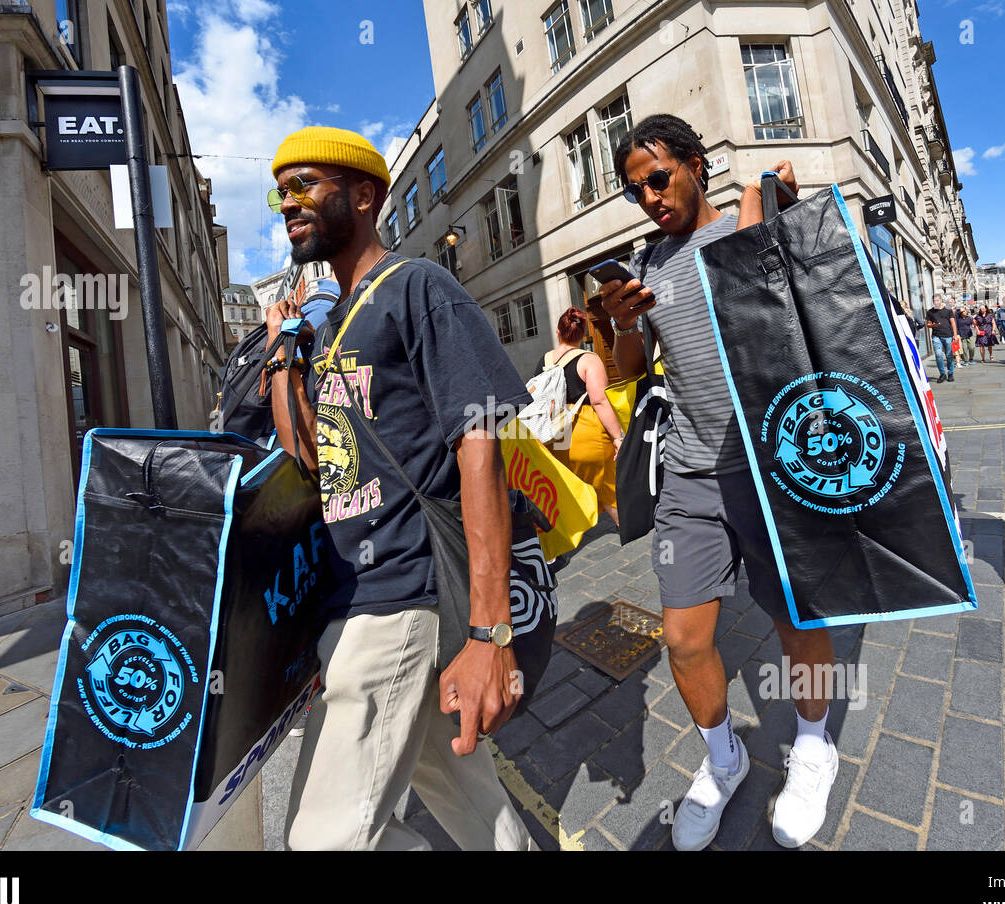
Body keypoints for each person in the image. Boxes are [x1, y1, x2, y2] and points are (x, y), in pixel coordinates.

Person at [263, 126, 535, 850]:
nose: (287, 204)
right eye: (279, 193)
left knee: (320, 842)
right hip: (353, 598)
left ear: (363, 194)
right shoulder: (330, 328)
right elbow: (315, 461)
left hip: (403, 594)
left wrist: (489, 633)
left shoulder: (418, 286)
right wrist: (282, 357)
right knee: (470, 802)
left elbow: (480, 444)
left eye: (304, 186)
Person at [598, 113, 838, 851]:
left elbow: (815, 290)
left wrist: (783, 202)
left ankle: (813, 744)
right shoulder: (646, 265)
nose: (650, 198)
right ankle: (724, 758)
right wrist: (621, 324)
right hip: (690, 473)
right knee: (683, 637)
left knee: (797, 621)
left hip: (767, 466)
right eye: (636, 189)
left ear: (696, 163)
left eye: (659, 178)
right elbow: (625, 375)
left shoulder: (742, 226)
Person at [540, 308, 626, 525]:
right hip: (584, 427)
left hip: (556, 430)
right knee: (608, 486)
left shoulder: (545, 359)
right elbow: (599, 400)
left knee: (568, 483)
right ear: (584, 334)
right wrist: (617, 436)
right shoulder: (589, 359)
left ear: (558, 332)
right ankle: (625, 526)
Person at [924, 294, 957, 383]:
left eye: (937, 300)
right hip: (936, 336)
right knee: (938, 355)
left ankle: (950, 373)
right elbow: (928, 324)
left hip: (948, 335)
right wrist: (933, 325)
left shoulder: (948, 311)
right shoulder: (930, 312)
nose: (936, 302)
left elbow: (953, 323)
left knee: (949, 355)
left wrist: (955, 335)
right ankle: (942, 374)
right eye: (934, 301)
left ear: (941, 300)